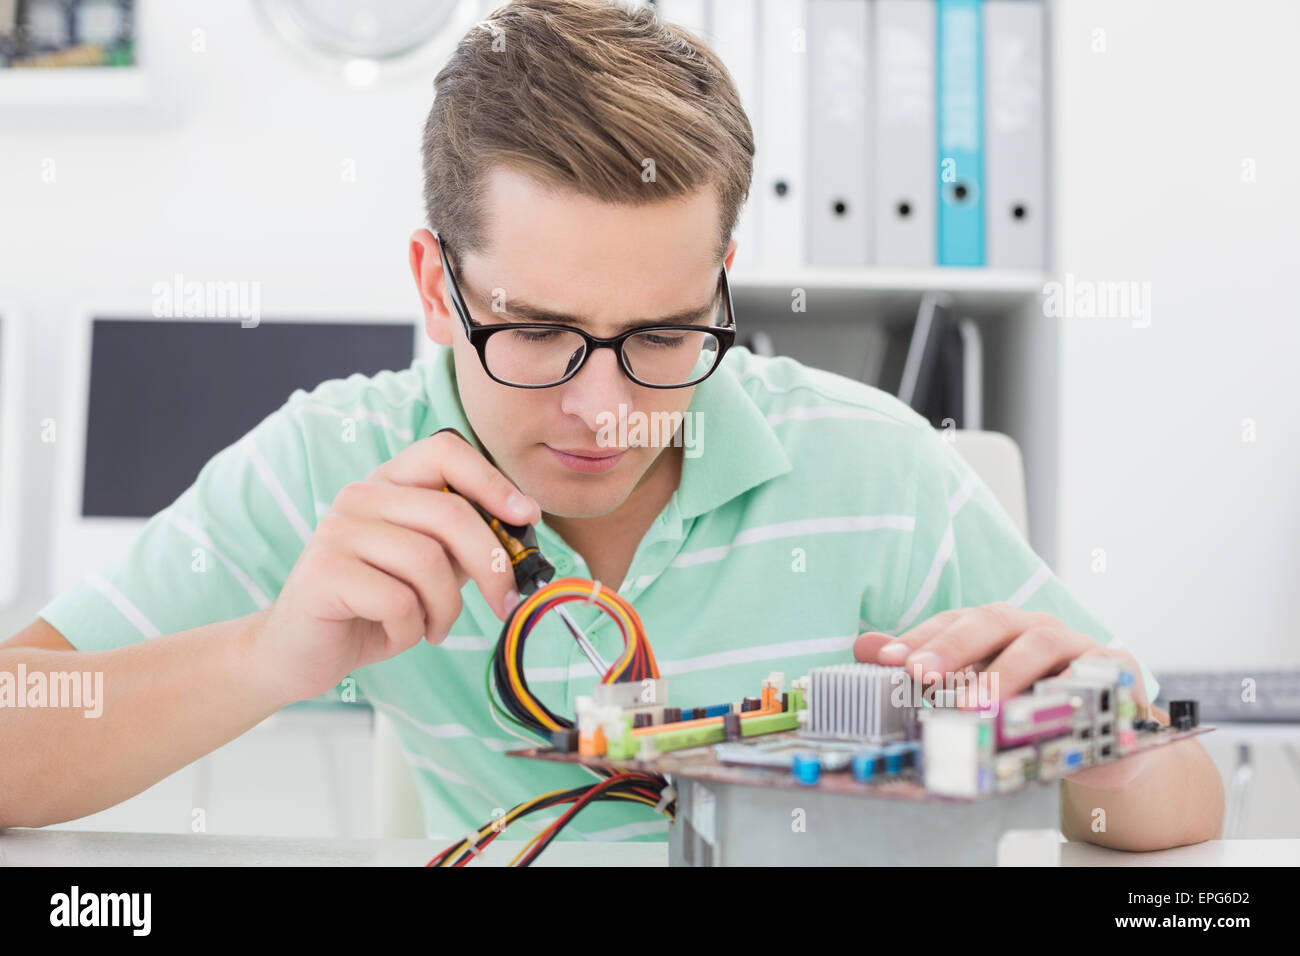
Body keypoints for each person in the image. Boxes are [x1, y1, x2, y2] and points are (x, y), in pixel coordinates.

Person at [0, 0, 1222, 850]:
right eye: (535, 333)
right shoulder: (333, 463)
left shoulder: (881, 467)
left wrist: (1106, 741)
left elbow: (1180, 803)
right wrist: (268, 654)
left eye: (663, 334)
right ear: (437, 287)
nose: (605, 411)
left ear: (723, 281)